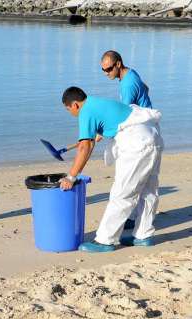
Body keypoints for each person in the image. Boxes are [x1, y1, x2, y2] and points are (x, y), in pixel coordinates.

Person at [59, 87, 163, 252]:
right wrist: (97, 134)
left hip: (136, 144)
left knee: (122, 194)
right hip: (152, 136)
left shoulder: (85, 111)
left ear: (75, 105)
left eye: (68, 109)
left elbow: (85, 147)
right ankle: (143, 235)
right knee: (148, 190)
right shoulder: (96, 102)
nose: (71, 113)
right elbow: (97, 134)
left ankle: (105, 241)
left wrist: (71, 177)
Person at [100, 50, 153, 230]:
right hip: (147, 125)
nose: (106, 73)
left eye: (108, 69)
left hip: (141, 131)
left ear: (118, 64)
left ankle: (133, 220)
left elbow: (123, 116)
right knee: (143, 181)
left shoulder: (127, 85)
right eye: (103, 70)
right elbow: (146, 87)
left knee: (132, 180)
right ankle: (138, 218)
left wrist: (103, 132)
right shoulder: (131, 73)